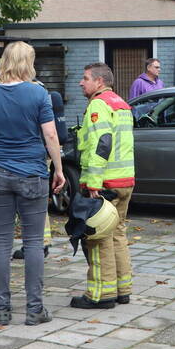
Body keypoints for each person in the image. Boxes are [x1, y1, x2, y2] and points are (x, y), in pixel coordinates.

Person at [0, 42, 65, 326]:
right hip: (32, 174)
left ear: (4, 61)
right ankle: (35, 310)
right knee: (34, 242)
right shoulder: (38, 93)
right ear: (29, 62)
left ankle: (2, 310)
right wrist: (58, 169)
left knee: (0, 242)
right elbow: (50, 136)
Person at [71, 63, 136, 309]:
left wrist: (94, 183)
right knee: (117, 234)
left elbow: (103, 143)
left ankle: (101, 294)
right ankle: (123, 289)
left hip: (105, 183)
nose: (81, 82)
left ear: (99, 82)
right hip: (124, 180)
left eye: (85, 78)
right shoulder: (121, 103)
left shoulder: (99, 104)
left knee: (98, 238)